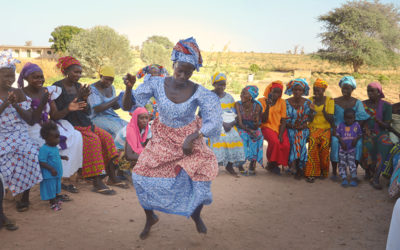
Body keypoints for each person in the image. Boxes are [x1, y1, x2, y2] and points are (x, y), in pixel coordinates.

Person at [122, 37, 222, 239]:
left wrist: (193, 137)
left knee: (198, 179)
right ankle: (150, 216)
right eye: (180, 70)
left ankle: (196, 215)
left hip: (189, 142)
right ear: (173, 64)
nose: (183, 75)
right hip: (162, 139)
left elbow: (214, 121)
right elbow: (128, 106)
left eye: (188, 72)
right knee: (140, 175)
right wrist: (129, 88)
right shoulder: (156, 84)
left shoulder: (199, 92)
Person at [50, 56, 128, 195]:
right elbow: (54, 115)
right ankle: (97, 181)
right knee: (93, 140)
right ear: (66, 71)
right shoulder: (57, 88)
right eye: (75, 72)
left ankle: (112, 177)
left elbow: (87, 111)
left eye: (80, 72)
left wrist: (84, 99)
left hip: (85, 123)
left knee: (107, 139)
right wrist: (69, 108)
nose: (78, 75)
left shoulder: (79, 87)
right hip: (69, 125)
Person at [19, 62, 83, 194]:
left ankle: (63, 177)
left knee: (75, 136)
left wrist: (68, 108)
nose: (40, 80)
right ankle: (49, 186)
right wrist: (43, 102)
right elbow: (31, 120)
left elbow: (54, 115)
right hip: (28, 128)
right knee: (49, 145)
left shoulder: (47, 91)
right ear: (26, 79)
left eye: (41, 77)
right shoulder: (21, 94)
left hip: (45, 126)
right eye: (35, 77)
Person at [0, 50, 43, 212]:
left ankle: (23, 198)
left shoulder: (19, 93)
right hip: (1, 136)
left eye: (12, 75)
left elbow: (30, 120)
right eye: (5, 76)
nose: (9, 79)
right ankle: (7, 194)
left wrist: (16, 104)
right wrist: (5, 104)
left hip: (19, 134)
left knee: (30, 155)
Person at [331, 76, 370, 181]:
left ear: (352, 89)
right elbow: (330, 118)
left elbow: (362, 118)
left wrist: (355, 131)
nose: (345, 90)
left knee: (359, 143)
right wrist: (334, 128)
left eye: (348, 88)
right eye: (343, 88)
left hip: (353, 131)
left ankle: (353, 172)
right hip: (338, 130)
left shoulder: (357, 103)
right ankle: (335, 171)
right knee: (335, 142)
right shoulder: (334, 101)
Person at [206, 73, 245, 176]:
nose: (222, 87)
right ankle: (215, 165)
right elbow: (207, 115)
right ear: (214, 84)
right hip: (214, 124)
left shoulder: (229, 98)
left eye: (224, 85)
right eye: (219, 84)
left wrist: (231, 124)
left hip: (228, 124)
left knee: (235, 137)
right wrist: (222, 124)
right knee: (219, 138)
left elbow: (234, 114)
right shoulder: (209, 97)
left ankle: (229, 165)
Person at [362, 82, 393, 189]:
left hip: (381, 132)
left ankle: (376, 177)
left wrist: (377, 120)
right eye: (368, 91)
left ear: (379, 92)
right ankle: (368, 170)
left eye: (372, 91)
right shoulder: (362, 105)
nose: (369, 93)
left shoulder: (386, 106)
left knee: (386, 144)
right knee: (366, 145)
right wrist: (365, 129)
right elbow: (358, 120)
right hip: (366, 132)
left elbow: (387, 125)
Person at [304, 79, 334, 182]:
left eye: (318, 90)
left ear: (323, 90)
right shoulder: (310, 100)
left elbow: (330, 119)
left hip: (325, 128)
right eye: (314, 90)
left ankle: (323, 170)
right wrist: (312, 111)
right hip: (313, 127)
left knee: (325, 148)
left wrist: (324, 111)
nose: (316, 93)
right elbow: (309, 119)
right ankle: (311, 173)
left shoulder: (329, 101)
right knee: (312, 146)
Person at [259, 80, 290, 175]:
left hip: (279, 128)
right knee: (275, 142)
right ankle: (272, 163)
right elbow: (263, 120)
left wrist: (280, 134)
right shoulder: (262, 101)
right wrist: (268, 105)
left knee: (285, 144)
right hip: (266, 126)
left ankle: (275, 164)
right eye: (274, 91)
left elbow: (284, 120)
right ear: (269, 91)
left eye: (279, 92)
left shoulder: (282, 102)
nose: (276, 94)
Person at [285, 79, 314, 179]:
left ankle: (294, 165)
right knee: (295, 137)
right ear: (292, 90)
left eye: (300, 90)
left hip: (303, 127)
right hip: (290, 127)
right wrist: (292, 126)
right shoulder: (286, 102)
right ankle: (300, 165)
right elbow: (284, 119)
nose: (297, 92)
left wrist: (303, 126)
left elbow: (311, 119)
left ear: (303, 91)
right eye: (295, 89)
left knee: (299, 136)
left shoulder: (308, 103)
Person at [88, 66, 127, 138]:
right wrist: (116, 99)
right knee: (119, 130)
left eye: (111, 80)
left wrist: (121, 99)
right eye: (106, 79)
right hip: (95, 118)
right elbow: (97, 109)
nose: (109, 82)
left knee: (129, 127)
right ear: (101, 76)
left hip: (111, 116)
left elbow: (114, 107)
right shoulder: (92, 89)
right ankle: (116, 148)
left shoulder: (111, 87)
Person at [39, 122, 70, 211]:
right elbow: (41, 162)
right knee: (51, 189)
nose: (58, 139)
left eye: (58, 136)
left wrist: (62, 157)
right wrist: (51, 169)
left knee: (56, 188)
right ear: (46, 138)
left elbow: (55, 156)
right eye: (55, 137)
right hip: (49, 175)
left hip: (56, 174)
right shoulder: (44, 149)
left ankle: (56, 199)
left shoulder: (54, 147)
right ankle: (52, 203)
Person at [235, 86, 263, 175]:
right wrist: (249, 130)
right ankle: (240, 163)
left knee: (258, 136)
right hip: (242, 127)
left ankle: (253, 162)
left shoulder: (257, 106)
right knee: (242, 136)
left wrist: (255, 122)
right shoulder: (238, 104)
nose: (241, 95)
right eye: (241, 93)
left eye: (244, 93)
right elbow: (240, 123)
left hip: (253, 128)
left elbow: (257, 125)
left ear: (251, 96)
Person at [336, 109, 363, 187]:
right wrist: (341, 141)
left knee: (352, 163)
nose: (349, 120)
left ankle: (353, 178)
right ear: (344, 118)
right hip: (342, 149)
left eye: (351, 118)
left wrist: (356, 139)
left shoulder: (356, 125)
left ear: (354, 118)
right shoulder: (340, 125)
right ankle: (344, 178)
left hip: (351, 149)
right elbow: (337, 134)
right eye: (347, 118)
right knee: (342, 163)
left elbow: (360, 134)